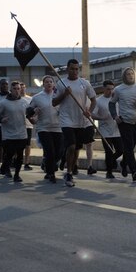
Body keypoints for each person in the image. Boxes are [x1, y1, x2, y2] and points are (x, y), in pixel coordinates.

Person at [52, 59, 96, 187]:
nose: (75, 71)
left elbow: (93, 100)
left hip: (81, 120)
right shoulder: (61, 83)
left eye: (77, 69)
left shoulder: (84, 83)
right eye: (72, 69)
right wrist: (65, 94)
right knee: (71, 145)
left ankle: (70, 165)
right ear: (67, 69)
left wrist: (90, 112)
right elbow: (54, 102)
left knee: (77, 147)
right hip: (66, 120)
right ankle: (69, 172)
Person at [109, 67, 136, 181]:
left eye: (132, 74)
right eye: (128, 74)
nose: (130, 76)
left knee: (130, 147)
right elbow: (111, 104)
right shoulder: (119, 89)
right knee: (129, 147)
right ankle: (134, 171)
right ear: (124, 76)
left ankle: (124, 164)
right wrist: (115, 116)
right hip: (125, 122)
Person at [27, 75, 63, 183]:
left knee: (59, 152)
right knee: (50, 151)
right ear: (43, 84)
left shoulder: (58, 96)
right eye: (46, 82)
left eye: (51, 82)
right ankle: (51, 173)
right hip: (43, 128)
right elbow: (28, 111)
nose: (49, 83)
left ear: (54, 84)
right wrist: (33, 115)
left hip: (58, 128)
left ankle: (46, 163)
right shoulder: (37, 97)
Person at [0, 81, 28, 183]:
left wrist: (35, 114)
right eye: (15, 89)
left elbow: (30, 112)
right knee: (9, 154)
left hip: (22, 133)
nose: (17, 91)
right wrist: (1, 119)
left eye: (18, 89)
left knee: (20, 155)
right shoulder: (3, 102)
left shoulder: (24, 102)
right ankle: (5, 166)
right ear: (11, 90)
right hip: (8, 134)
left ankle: (17, 174)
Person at [92, 80, 123, 179]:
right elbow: (92, 114)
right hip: (105, 130)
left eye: (112, 89)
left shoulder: (116, 100)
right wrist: (101, 118)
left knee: (120, 150)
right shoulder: (99, 101)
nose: (110, 91)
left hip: (116, 129)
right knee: (109, 151)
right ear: (103, 89)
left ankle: (112, 161)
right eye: (108, 89)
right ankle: (109, 172)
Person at [20, 82, 34, 171]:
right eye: (20, 88)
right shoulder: (16, 99)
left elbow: (33, 111)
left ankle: (27, 163)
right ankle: (17, 160)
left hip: (28, 125)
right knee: (19, 145)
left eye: (23, 87)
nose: (22, 89)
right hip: (18, 125)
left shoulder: (30, 99)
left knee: (28, 145)